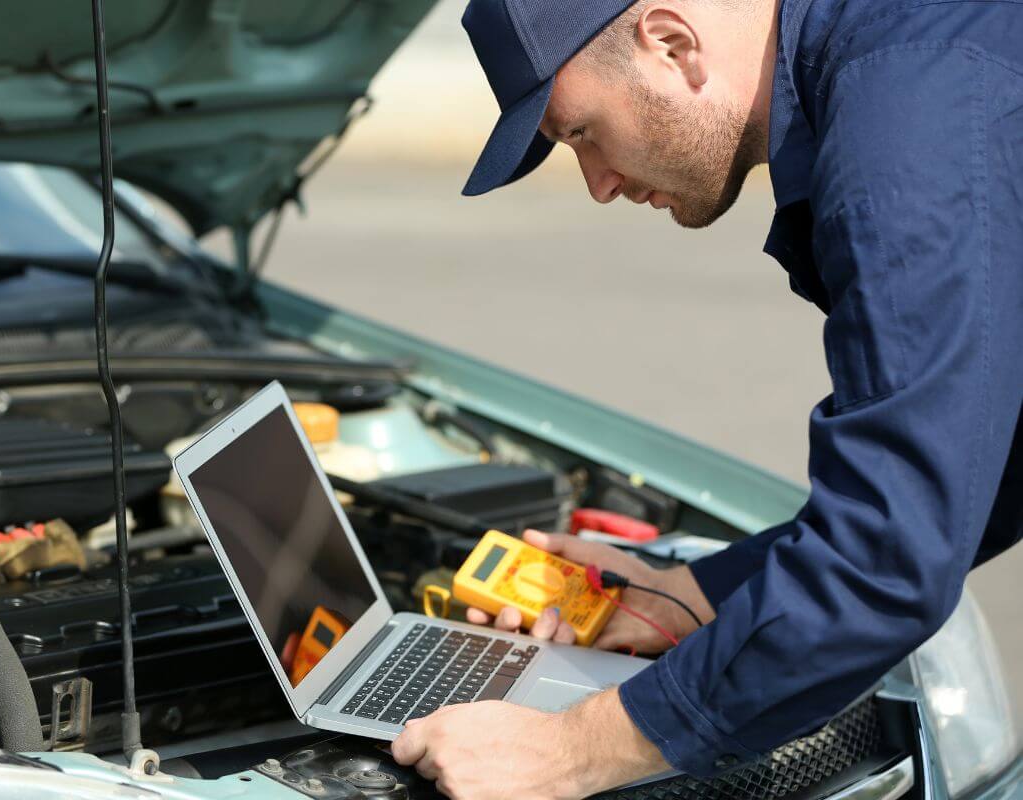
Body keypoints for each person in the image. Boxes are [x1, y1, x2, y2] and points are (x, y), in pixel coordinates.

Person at [389, 0, 1023, 797]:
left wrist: (571, 751)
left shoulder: (906, 132)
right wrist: (693, 597)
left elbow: (887, 561)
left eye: (581, 133)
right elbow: (986, 466)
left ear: (672, 43)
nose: (598, 184)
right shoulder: (915, 44)